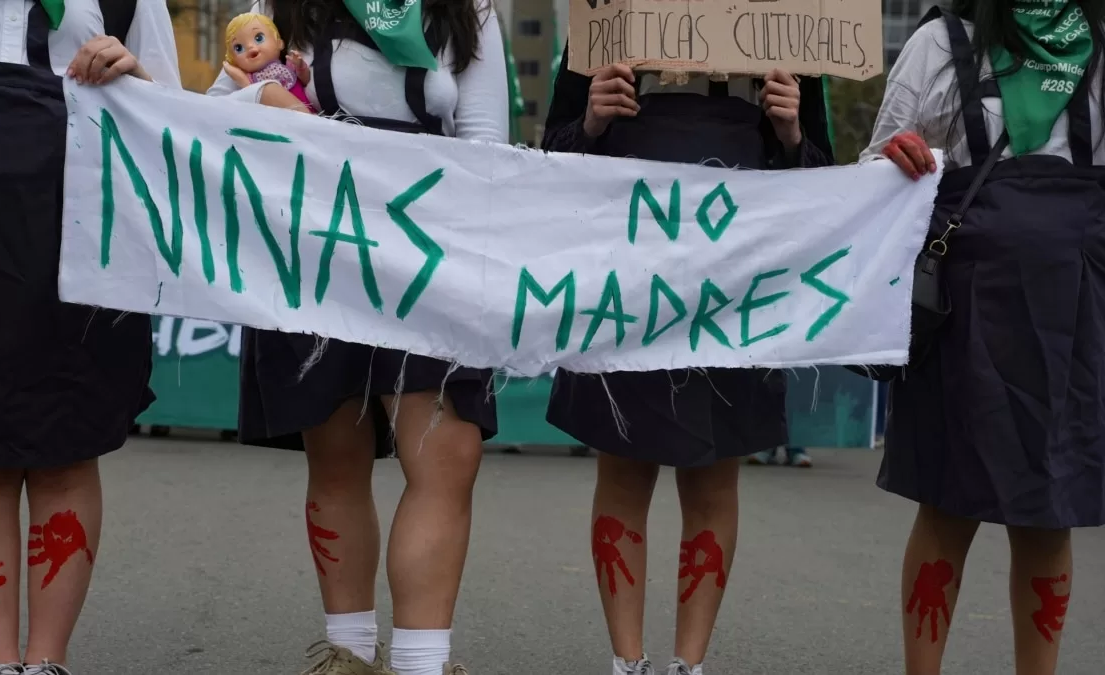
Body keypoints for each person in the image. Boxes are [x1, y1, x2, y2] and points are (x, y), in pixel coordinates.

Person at [206, 2, 506, 675]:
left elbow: (489, 141)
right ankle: (348, 655)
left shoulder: (469, 12)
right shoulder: (288, 7)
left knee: (448, 453)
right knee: (337, 450)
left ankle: (423, 665)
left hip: (431, 246)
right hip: (318, 245)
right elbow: (214, 107)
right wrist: (270, 98)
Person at [0, 1, 181, 674]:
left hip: (84, 197)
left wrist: (133, 74)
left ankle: (46, 662)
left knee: (68, 438)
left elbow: (172, 114)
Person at [541, 51, 833, 675]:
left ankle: (688, 665)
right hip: (627, 276)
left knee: (713, 475)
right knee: (622, 467)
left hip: (733, 284)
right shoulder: (606, 21)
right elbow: (553, 153)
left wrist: (791, 132)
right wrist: (592, 123)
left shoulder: (784, 35)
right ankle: (627, 663)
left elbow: (822, 177)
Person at [863, 2, 1105, 674]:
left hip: (1075, 308)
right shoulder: (940, 43)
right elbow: (874, 167)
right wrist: (891, 159)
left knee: (1048, 512)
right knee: (947, 500)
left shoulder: (1097, 44)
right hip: (961, 304)